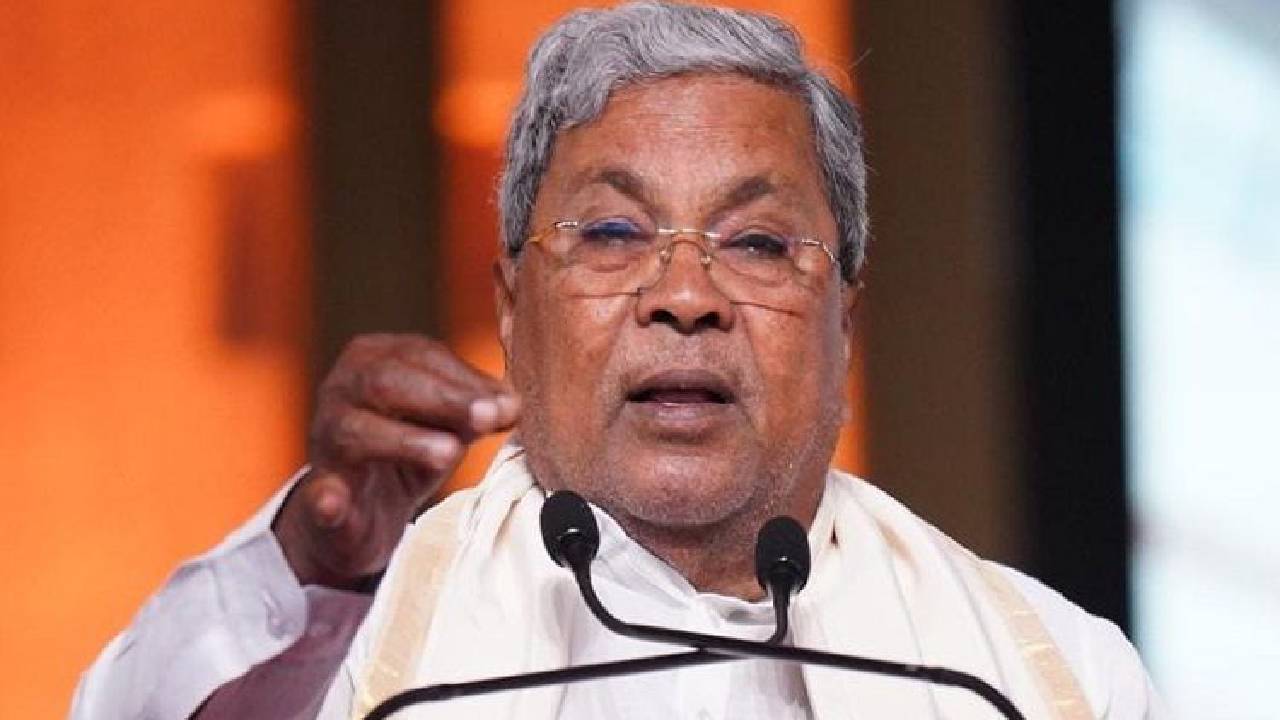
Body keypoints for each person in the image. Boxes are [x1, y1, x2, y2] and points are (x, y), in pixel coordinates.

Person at [71, 3, 1165, 718]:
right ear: (511, 309)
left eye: (756, 242)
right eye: (609, 233)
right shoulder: (344, 637)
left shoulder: (1040, 676)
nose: (685, 297)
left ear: (844, 325)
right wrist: (313, 566)